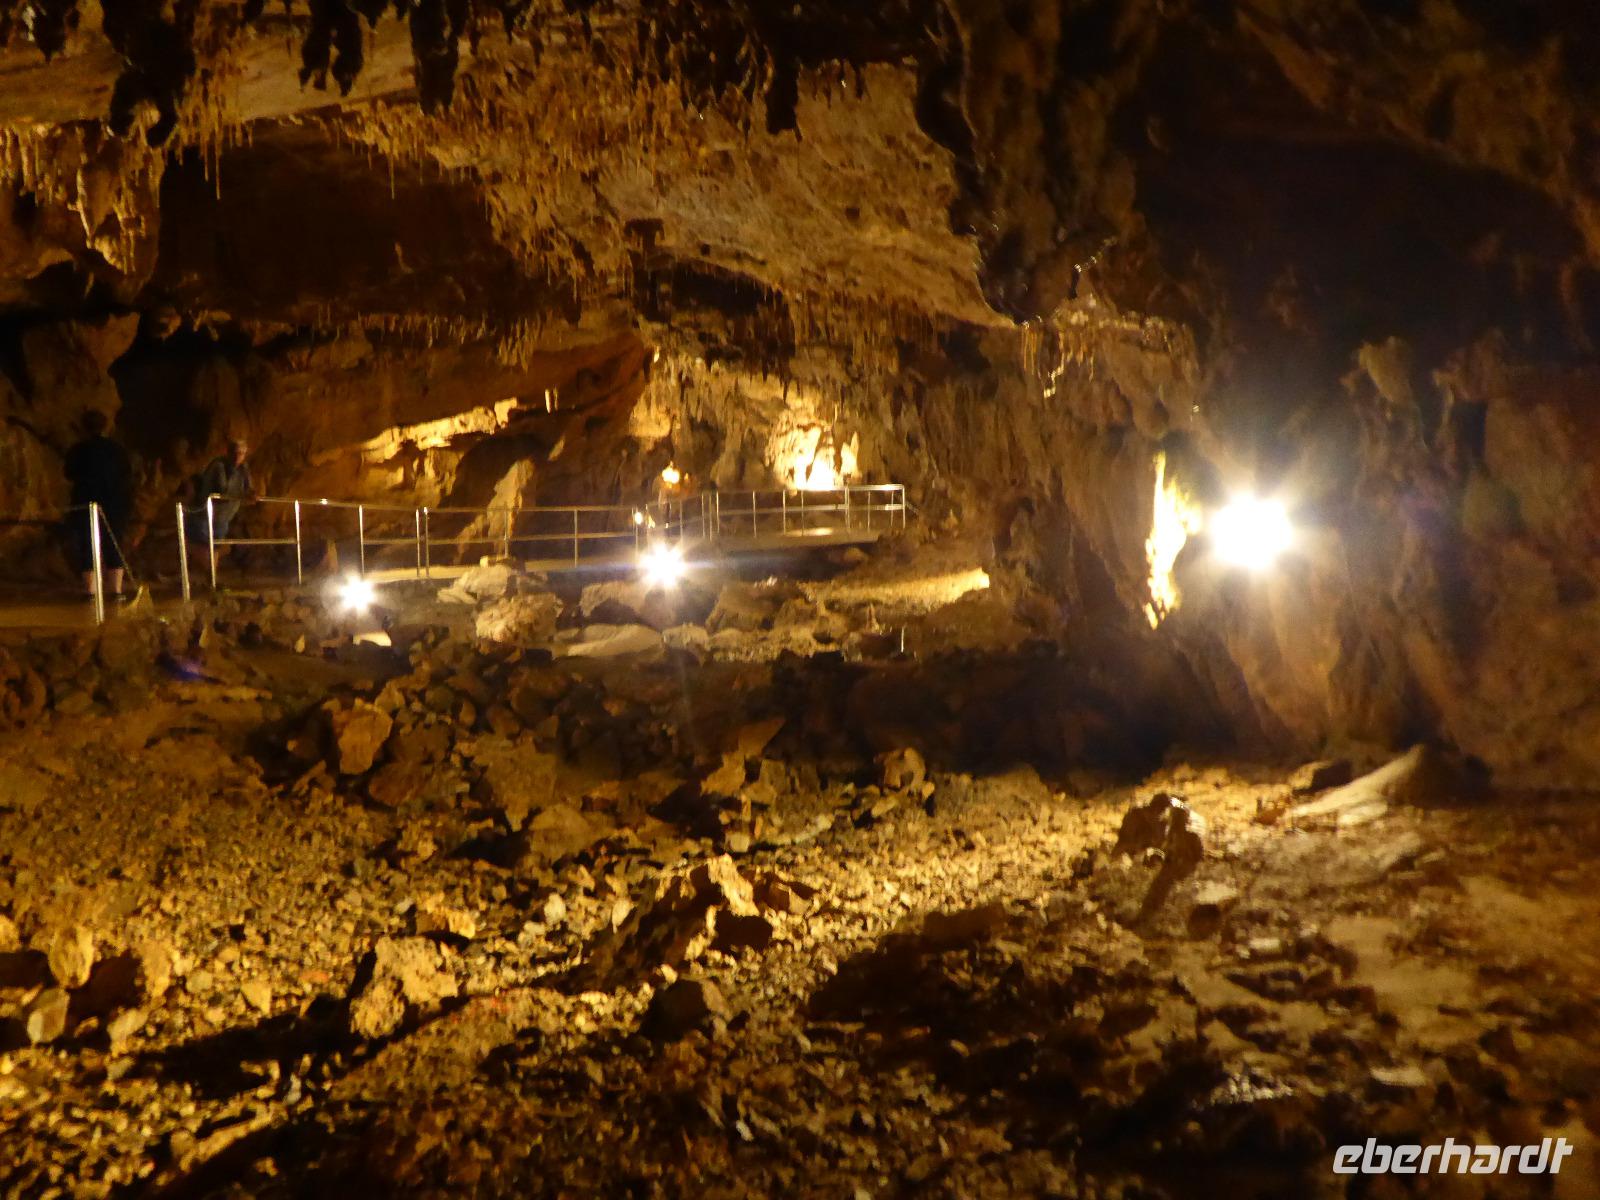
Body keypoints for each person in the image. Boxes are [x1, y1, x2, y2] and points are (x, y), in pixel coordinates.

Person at [63, 410, 134, 601]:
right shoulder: (117, 450)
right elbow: (126, 474)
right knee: (113, 542)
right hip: (114, 503)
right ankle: (116, 590)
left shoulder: (78, 450)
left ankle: (91, 592)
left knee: (87, 544)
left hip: (85, 501)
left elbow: (69, 473)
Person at [190, 437, 256, 541]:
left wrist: (252, 494)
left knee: (215, 548)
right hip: (206, 516)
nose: (237, 457)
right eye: (235, 452)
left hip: (224, 518)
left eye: (241, 453)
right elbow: (222, 490)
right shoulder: (218, 466)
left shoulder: (243, 468)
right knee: (204, 549)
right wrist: (242, 495)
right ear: (229, 452)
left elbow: (249, 488)